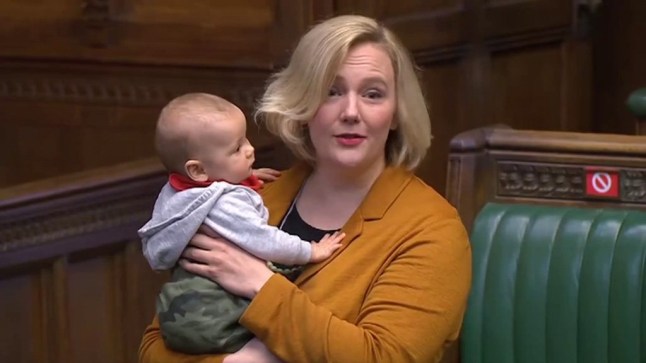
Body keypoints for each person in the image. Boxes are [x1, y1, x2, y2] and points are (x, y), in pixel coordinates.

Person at [139, 14, 472, 363]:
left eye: (373, 94)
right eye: (331, 91)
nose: (351, 112)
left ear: (396, 114)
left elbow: (384, 358)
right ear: (303, 105)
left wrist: (262, 286)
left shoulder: (432, 230)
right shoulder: (249, 197)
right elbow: (155, 346)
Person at [138, 93, 345, 354]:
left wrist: (242, 177)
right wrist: (311, 251)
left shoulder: (178, 192)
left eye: (245, 140)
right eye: (236, 149)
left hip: (177, 307)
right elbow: (264, 240)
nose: (250, 150)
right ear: (199, 171)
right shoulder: (226, 205)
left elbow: (211, 190)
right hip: (214, 309)